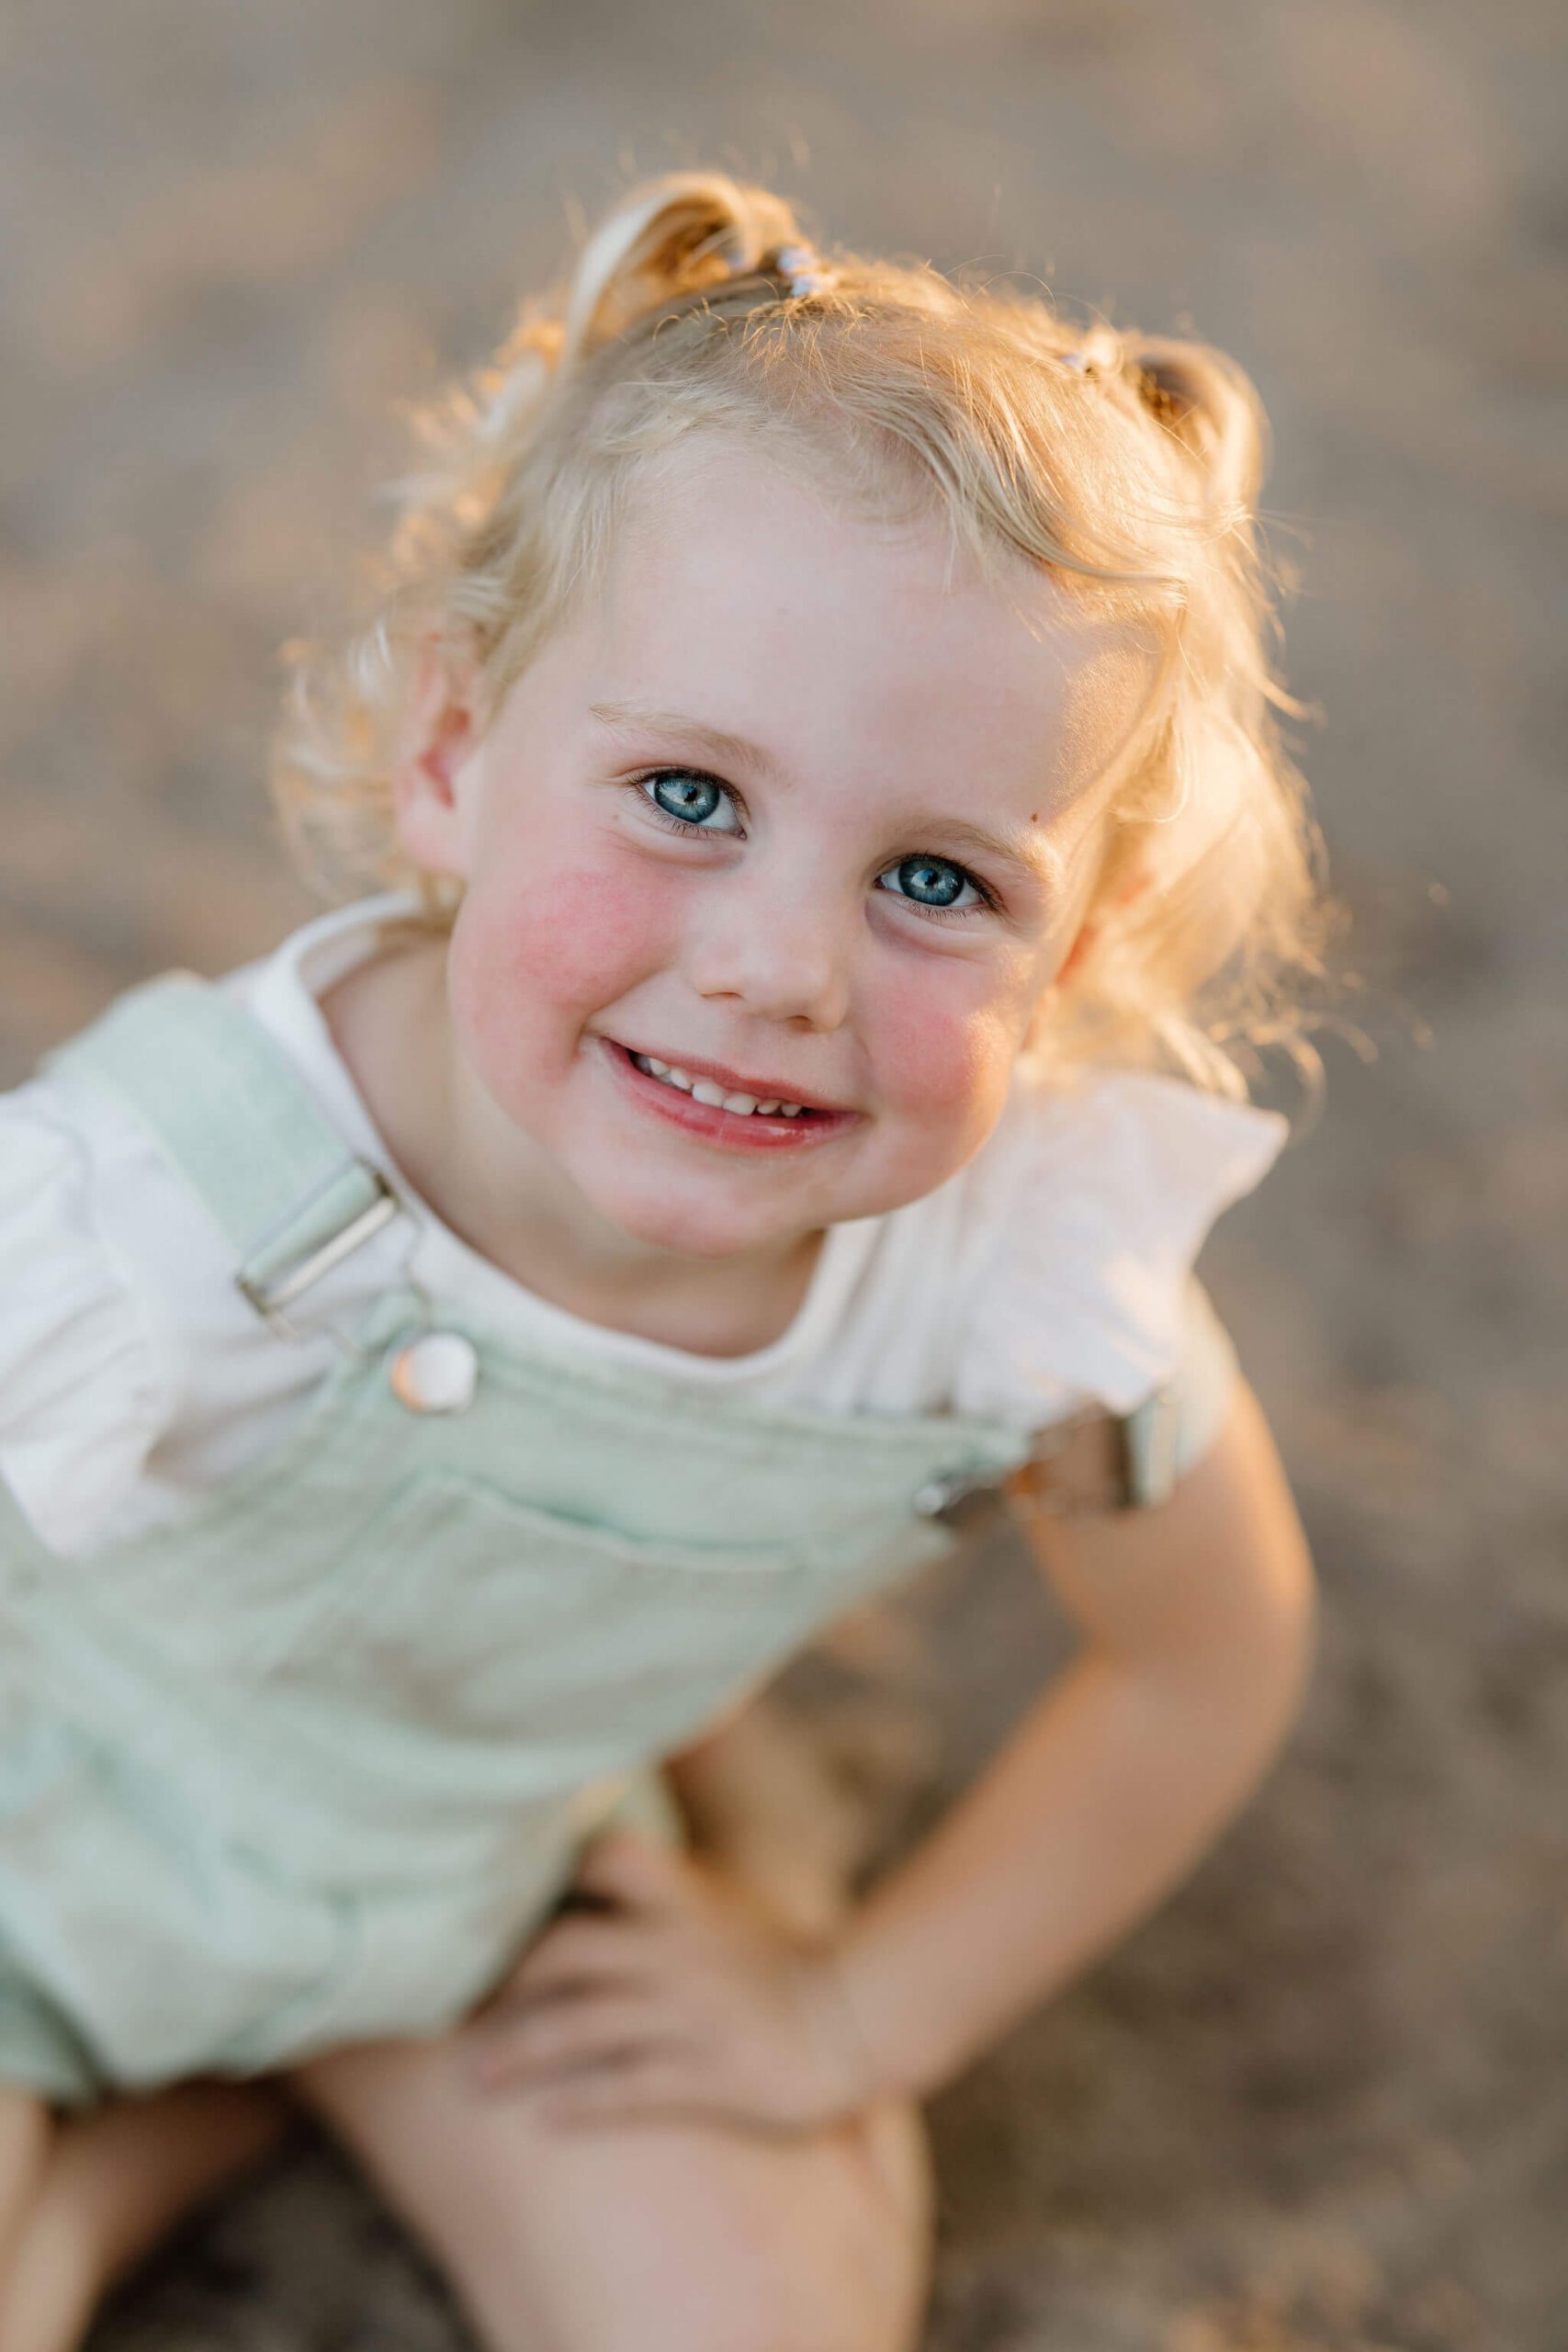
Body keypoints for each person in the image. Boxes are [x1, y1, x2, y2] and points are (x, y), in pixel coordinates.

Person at [0, 169, 1334, 2351]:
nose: (780, 968)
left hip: (476, 1886)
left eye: (933, 877)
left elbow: (1202, 1660)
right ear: (453, 749)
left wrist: (843, 2009)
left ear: (1073, 942)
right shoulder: (150, 1198)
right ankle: (127, 2157)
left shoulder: (1011, 1287)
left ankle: (301, 2072)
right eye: (689, 799)